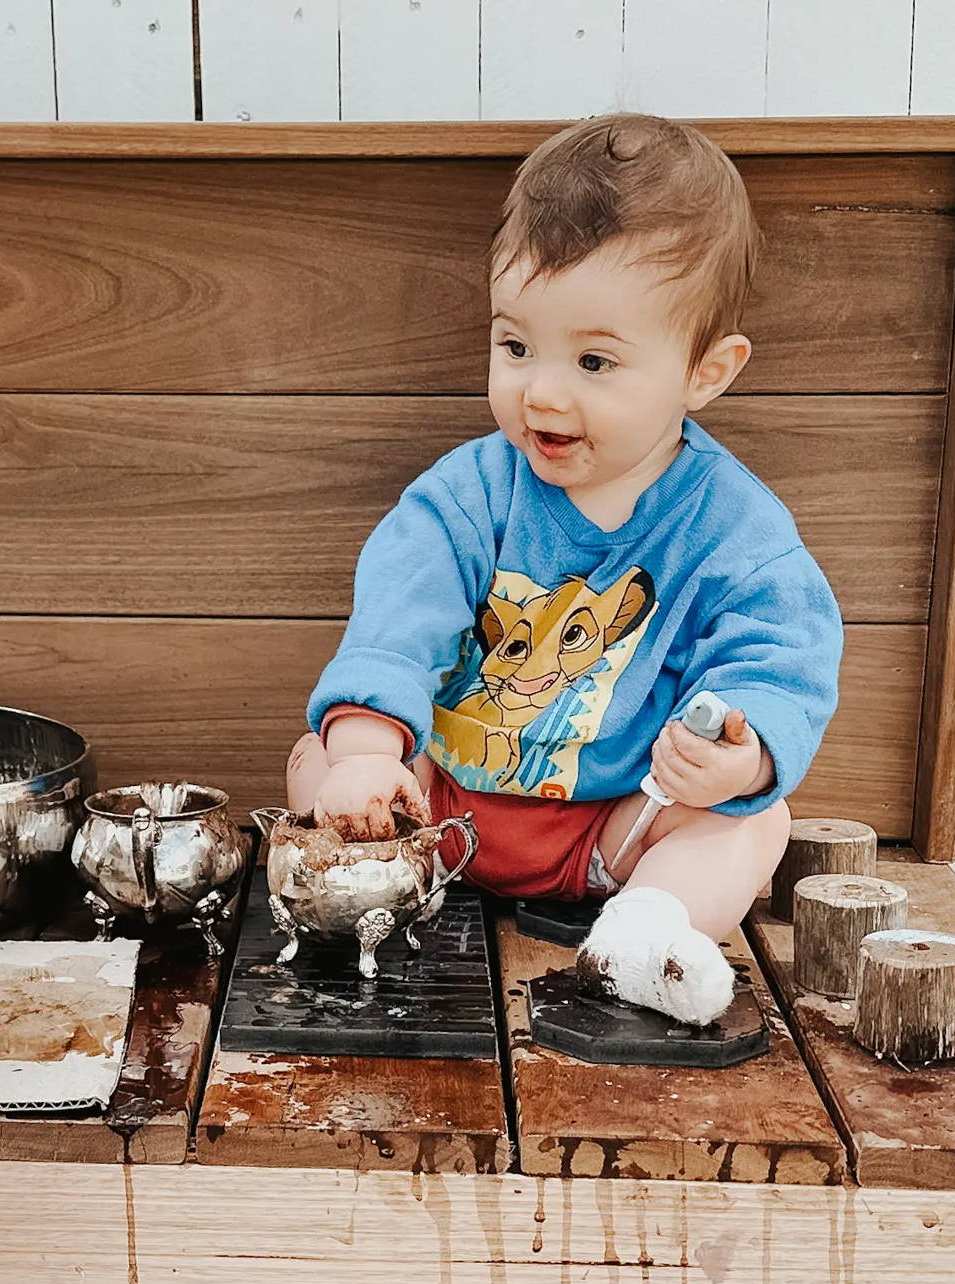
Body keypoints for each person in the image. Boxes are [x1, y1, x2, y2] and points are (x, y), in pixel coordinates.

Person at [291, 113, 843, 1025]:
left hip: (610, 828)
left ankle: (642, 935)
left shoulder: (734, 528)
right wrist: (363, 756)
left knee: (755, 825)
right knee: (316, 763)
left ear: (707, 371)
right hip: (436, 811)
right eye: (516, 347)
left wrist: (741, 759)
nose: (541, 390)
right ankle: (362, 883)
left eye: (593, 360)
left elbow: (780, 659)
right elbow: (398, 624)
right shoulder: (467, 496)